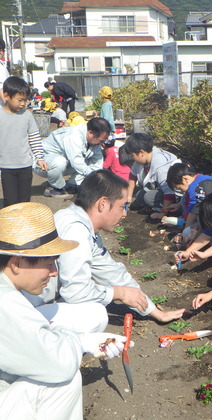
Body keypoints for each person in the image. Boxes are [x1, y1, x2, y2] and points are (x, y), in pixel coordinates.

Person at [0, 201, 129, 419]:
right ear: (17, 263)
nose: (53, 272)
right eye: (49, 263)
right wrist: (80, 342)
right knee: (63, 380)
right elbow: (59, 365)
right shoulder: (5, 301)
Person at [53, 169, 186, 323]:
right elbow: (75, 292)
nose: (124, 214)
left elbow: (111, 272)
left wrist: (155, 312)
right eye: (122, 207)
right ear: (102, 204)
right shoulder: (76, 232)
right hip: (33, 309)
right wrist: (119, 293)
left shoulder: (78, 221)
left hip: (44, 301)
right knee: (96, 315)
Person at [0, 76, 48, 206]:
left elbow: (34, 138)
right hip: (6, 167)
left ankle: (24, 225)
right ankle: (10, 225)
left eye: (25, 100)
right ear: (6, 95)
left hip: (25, 166)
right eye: (20, 100)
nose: (23, 104)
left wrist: (39, 158)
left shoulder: (27, 115)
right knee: (10, 202)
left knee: (25, 201)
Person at [34, 117, 109, 197]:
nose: (101, 143)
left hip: (66, 163)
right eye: (100, 140)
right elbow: (77, 162)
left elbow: (97, 163)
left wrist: (100, 179)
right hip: (43, 164)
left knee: (88, 164)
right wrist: (96, 177)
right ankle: (54, 187)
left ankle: (72, 185)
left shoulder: (94, 141)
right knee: (60, 162)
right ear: (90, 133)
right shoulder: (73, 136)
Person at [165, 162, 212, 244]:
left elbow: (193, 213)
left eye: (179, 188)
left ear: (185, 179)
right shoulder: (200, 178)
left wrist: (184, 232)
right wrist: (178, 205)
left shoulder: (194, 188)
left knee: (191, 231)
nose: (180, 190)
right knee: (183, 198)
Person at [123, 133, 181, 212]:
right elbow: (132, 178)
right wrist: (128, 197)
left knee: (148, 197)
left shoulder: (161, 166)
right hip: (157, 189)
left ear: (141, 152)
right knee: (139, 195)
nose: (133, 158)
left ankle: (168, 209)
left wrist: (164, 213)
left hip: (175, 193)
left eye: (133, 155)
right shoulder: (140, 161)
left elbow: (169, 192)